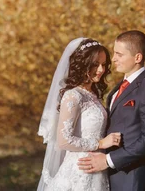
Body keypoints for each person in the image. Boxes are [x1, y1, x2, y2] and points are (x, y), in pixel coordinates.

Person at [78, 30, 145, 191]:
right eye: (114, 53)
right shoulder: (118, 88)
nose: (113, 59)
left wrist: (108, 160)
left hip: (132, 180)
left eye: (119, 54)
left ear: (137, 58)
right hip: (107, 177)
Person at [37, 37, 122, 191]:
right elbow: (64, 141)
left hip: (96, 171)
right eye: (95, 65)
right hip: (79, 172)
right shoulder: (73, 96)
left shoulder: (92, 94)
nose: (101, 70)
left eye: (104, 64)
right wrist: (101, 143)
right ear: (83, 65)